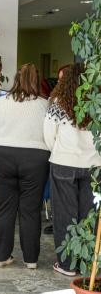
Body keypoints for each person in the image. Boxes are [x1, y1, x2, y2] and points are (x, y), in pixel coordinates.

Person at [0, 63, 50, 269]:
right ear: (37, 80)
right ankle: (31, 259)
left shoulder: (1, 103)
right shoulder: (44, 104)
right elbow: (51, 133)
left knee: (4, 208)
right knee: (30, 210)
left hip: (2, 155)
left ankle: (1, 256)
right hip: (35, 158)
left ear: (16, 80)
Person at [44, 63, 101, 276]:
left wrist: (58, 150)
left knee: (64, 214)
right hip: (94, 165)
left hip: (64, 163)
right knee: (89, 215)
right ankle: (86, 261)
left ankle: (67, 264)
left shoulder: (58, 103)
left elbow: (48, 134)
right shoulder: (97, 104)